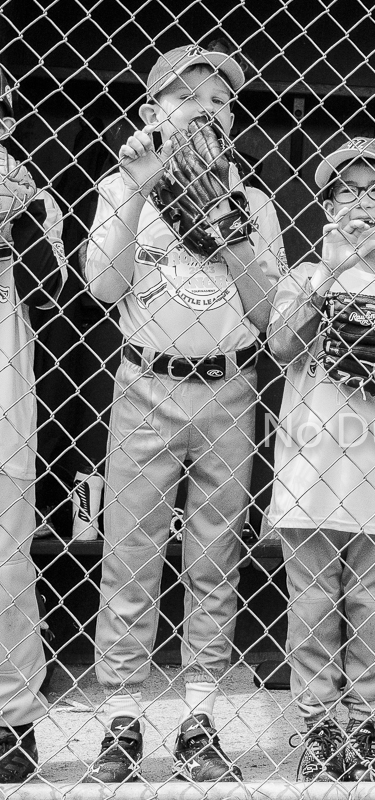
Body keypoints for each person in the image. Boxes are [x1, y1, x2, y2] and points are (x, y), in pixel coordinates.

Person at [82, 44, 284, 783]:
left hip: (230, 387)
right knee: (130, 559)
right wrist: (136, 187)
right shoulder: (121, 182)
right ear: (152, 111)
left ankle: (199, 720)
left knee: (213, 560)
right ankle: (122, 720)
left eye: (219, 98)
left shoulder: (253, 200)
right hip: (145, 386)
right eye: (184, 93)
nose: (204, 105)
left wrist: (230, 235)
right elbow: (104, 288)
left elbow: (269, 315)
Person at [267, 136, 375, 782]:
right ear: (326, 206)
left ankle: (365, 726)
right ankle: (315, 728)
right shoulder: (304, 275)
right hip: (311, 475)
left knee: (373, 609)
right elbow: (281, 346)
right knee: (310, 607)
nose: (362, 202)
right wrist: (333, 276)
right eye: (347, 191)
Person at [0, 62, 68, 784]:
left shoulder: (23, 191)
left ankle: (12, 721)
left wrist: (20, 217)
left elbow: (56, 294)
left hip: (4, 366)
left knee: (6, 561)